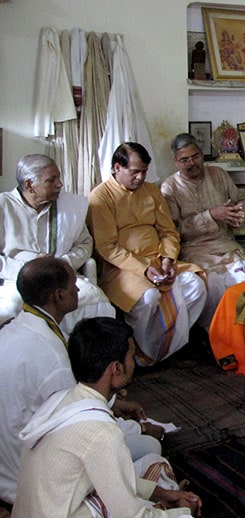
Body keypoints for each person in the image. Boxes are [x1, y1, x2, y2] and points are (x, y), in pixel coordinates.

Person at [11, 317, 231, 518]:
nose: (133, 364)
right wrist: (180, 513)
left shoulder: (65, 400)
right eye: (131, 357)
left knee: (151, 458)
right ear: (116, 369)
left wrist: (161, 493)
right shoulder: (102, 433)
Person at [0, 257, 162, 505]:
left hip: (7, 465)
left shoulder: (15, 330)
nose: (77, 290)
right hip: (29, 480)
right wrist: (138, 428)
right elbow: (80, 429)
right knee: (149, 447)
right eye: (73, 285)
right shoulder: (51, 356)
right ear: (59, 296)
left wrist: (113, 403)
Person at [88, 142, 207, 366]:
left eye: (144, 172)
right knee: (148, 297)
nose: (140, 178)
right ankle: (143, 353)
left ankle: (164, 349)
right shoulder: (100, 197)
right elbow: (107, 247)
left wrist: (167, 260)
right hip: (122, 269)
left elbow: (169, 232)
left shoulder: (152, 191)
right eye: (135, 172)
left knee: (196, 285)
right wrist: (144, 269)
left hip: (159, 261)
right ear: (117, 168)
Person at [0, 154, 115, 333]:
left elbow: (84, 243)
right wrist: (28, 269)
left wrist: (62, 264)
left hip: (62, 275)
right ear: (30, 185)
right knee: (11, 308)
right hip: (15, 280)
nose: (60, 184)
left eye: (59, 177)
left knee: (97, 300)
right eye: (51, 180)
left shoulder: (70, 205)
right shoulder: (3, 206)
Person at [161, 133, 245, 328]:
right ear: (176, 161)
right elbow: (174, 229)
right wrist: (211, 215)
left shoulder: (218, 174)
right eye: (185, 160)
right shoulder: (169, 188)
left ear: (202, 154)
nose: (192, 163)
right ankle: (216, 337)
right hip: (196, 251)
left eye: (195, 157)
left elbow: (242, 200)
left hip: (227, 245)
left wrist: (240, 214)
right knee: (215, 290)